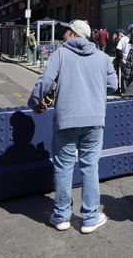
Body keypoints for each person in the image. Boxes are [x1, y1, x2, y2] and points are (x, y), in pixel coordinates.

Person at [28, 20, 117, 233]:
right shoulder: (103, 57)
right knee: (90, 167)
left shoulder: (60, 54)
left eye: (67, 31)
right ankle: (89, 218)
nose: (64, 34)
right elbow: (113, 85)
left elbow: (46, 81)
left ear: (74, 34)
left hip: (66, 118)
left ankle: (61, 216)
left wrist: (34, 102)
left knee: (63, 167)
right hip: (94, 119)